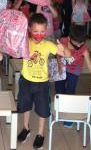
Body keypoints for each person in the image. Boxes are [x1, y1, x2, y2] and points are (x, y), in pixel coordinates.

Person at [17, 13, 71, 149]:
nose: (39, 34)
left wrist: (62, 48)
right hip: (26, 81)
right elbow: (15, 51)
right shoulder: (25, 42)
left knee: (43, 109)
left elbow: (68, 56)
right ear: (29, 29)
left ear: (46, 30)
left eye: (42, 31)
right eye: (36, 31)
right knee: (25, 106)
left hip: (42, 83)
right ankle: (25, 128)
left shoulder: (48, 44)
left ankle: (40, 134)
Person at [55, 24, 91, 128]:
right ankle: (61, 111)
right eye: (75, 45)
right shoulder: (63, 41)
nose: (78, 47)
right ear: (69, 38)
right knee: (59, 91)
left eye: (81, 44)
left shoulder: (84, 48)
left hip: (74, 70)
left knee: (70, 92)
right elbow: (57, 53)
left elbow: (90, 66)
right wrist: (59, 62)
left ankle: (69, 116)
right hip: (62, 68)